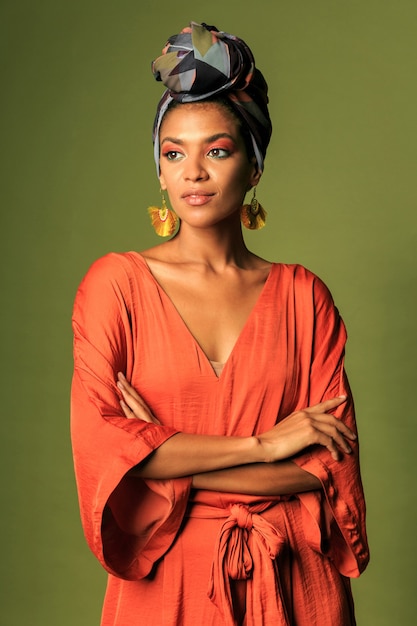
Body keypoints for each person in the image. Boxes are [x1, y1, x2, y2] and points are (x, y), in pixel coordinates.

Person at [71, 21, 369, 626]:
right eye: (174, 152)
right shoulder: (115, 287)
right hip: (165, 586)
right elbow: (106, 451)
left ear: (254, 166)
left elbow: (325, 468)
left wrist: (165, 454)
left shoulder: (304, 298)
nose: (193, 172)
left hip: (292, 587)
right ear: (158, 169)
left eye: (218, 150)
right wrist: (266, 444)